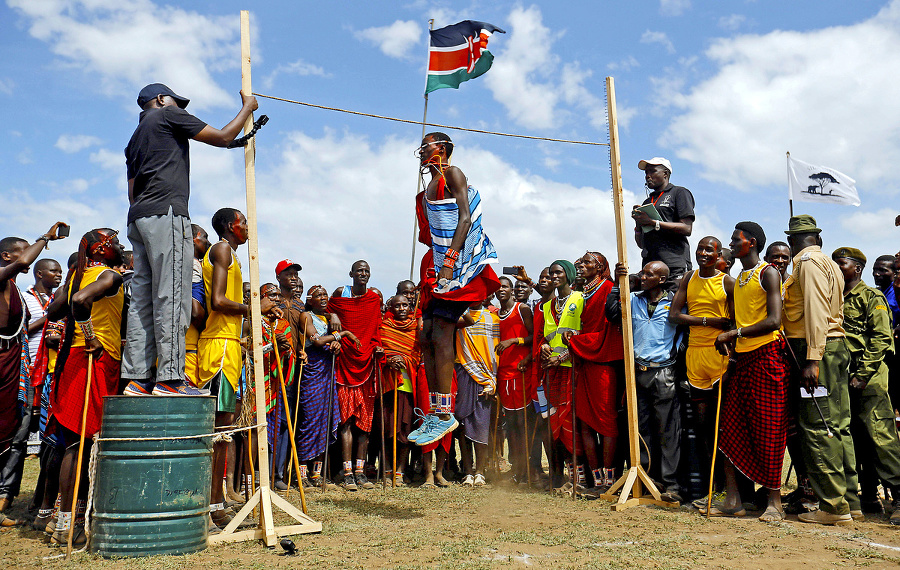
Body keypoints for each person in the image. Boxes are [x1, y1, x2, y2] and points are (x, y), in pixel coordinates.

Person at [121, 83, 258, 394]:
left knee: (142, 300)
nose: (181, 108)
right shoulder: (168, 115)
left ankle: (138, 380)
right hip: (166, 213)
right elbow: (222, 137)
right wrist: (247, 107)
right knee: (171, 295)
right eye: (176, 102)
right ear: (160, 100)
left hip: (139, 218)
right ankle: (170, 379)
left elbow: (132, 193)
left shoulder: (133, 140)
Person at [411, 132, 500, 447]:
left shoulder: (453, 174)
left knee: (442, 332)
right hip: (439, 265)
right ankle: (437, 413)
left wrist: (449, 259)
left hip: (461, 265)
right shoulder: (426, 190)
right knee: (429, 334)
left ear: (444, 149)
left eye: (429, 144)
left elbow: (465, 218)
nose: (423, 149)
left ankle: (445, 411)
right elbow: (429, 234)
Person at [705, 222, 788, 522]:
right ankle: (733, 500)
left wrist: (734, 333)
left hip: (767, 359)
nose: (731, 243)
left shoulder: (769, 272)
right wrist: (731, 342)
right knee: (729, 429)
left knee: (769, 430)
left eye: (734, 239)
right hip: (742, 361)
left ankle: (774, 502)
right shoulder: (738, 277)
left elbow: (774, 320)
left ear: (751, 243)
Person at [46, 228, 124, 544]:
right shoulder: (109, 276)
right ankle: (69, 524)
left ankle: (59, 520)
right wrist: (91, 335)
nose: (121, 246)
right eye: (116, 242)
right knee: (80, 444)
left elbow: (55, 309)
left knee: (72, 442)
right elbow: (78, 301)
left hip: (74, 360)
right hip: (94, 359)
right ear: (102, 249)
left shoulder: (78, 274)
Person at [782, 214, 855, 526]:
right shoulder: (829, 262)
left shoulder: (807, 263)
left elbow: (815, 310)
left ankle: (834, 507)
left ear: (792, 241)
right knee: (838, 426)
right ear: (817, 237)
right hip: (834, 346)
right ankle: (850, 500)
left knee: (817, 426)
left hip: (816, 350)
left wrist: (812, 359)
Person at [0, 224, 67, 523]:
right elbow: (26, 261)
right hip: (4, 360)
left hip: (18, 363)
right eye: (20, 250)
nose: (26, 255)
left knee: (17, 429)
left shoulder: (12, 286)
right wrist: (45, 238)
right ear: (6, 256)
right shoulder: (5, 278)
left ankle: (4, 497)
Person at [832, 247, 900, 524]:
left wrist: (862, 375)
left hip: (869, 379)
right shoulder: (834, 296)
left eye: (842, 263)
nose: (837, 268)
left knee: (881, 438)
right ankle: (868, 496)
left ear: (857, 268)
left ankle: (898, 497)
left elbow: (881, 339)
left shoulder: (872, 297)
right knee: (857, 439)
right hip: (843, 377)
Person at [199, 208, 257, 529]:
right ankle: (210, 508)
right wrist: (252, 308)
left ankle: (217, 504)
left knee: (225, 430)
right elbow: (219, 301)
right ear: (230, 226)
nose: (248, 227)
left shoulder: (230, 254)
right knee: (218, 430)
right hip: (219, 346)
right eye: (244, 221)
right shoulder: (221, 249)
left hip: (231, 345)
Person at [608, 260, 684, 503]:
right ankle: (648, 479)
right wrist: (618, 285)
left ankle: (671, 484)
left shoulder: (674, 302)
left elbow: (686, 332)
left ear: (661, 279)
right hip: (637, 371)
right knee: (641, 429)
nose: (642, 277)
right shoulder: (634, 300)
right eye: (642, 273)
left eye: (649, 274)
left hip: (663, 373)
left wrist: (676, 354)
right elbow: (611, 313)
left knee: (668, 430)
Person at [668, 237, 734, 503]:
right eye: (700, 249)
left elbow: (734, 321)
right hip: (695, 356)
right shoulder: (688, 278)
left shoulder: (727, 282)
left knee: (724, 428)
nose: (703, 253)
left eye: (710, 250)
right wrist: (708, 321)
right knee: (704, 428)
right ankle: (712, 489)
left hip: (720, 356)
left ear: (719, 255)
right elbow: (674, 315)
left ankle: (734, 491)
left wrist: (725, 335)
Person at [564, 252, 625, 495]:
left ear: (600, 268)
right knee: (585, 423)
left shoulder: (608, 288)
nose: (580, 265)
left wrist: (577, 341)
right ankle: (596, 481)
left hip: (603, 362)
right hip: (584, 363)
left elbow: (609, 332)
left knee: (606, 422)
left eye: (586, 262)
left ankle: (609, 482)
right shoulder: (580, 294)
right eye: (579, 262)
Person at [328, 260, 382, 491]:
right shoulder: (341, 293)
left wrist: (378, 346)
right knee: (346, 422)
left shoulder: (374, 297)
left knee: (365, 424)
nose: (362, 273)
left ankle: (361, 472)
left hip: (367, 363)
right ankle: (347, 472)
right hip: (344, 364)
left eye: (366, 270)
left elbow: (377, 327)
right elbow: (326, 311)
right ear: (351, 273)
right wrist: (333, 317)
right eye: (359, 270)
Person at [539, 261, 587, 493]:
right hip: (553, 371)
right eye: (551, 273)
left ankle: (579, 479)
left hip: (574, 367)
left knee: (571, 422)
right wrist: (544, 348)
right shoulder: (548, 305)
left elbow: (586, 331)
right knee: (555, 421)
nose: (554, 276)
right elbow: (546, 336)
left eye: (558, 272)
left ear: (568, 274)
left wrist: (565, 355)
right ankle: (564, 477)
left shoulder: (581, 298)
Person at [296, 286, 344, 487]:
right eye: (318, 295)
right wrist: (343, 335)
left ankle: (317, 474)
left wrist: (336, 344)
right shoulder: (306, 316)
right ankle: (301, 472)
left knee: (326, 421)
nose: (323, 298)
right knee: (310, 421)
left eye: (325, 294)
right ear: (310, 299)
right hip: (312, 372)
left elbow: (330, 343)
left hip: (327, 372)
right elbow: (316, 341)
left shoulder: (329, 319)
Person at [453, 299, 498, 487]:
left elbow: (497, 351)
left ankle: (480, 471)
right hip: (463, 370)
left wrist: (493, 381)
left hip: (486, 376)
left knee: (481, 423)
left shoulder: (494, 320)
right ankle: (468, 471)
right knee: (463, 422)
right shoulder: (458, 318)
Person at [631, 157, 695, 287]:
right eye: (646, 173)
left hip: (674, 265)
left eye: (652, 171)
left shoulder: (679, 193)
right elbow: (641, 244)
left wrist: (653, 222)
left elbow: (687, 228)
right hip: (650, 268)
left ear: (665, 173)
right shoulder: (647, 202)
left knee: (672, 303)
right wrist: (638, 223)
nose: (648, 176)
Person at [494, 276, 533, 484]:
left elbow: (535, 337)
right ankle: (516, 469)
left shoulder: (522, 309)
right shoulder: (494, 314)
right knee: (511, 426)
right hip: (503, 374)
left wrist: (513, 341)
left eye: (505, 286)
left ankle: (527, 469)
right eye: (498, 287)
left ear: (511, 290)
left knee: (522, 424)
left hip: (521, 372)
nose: (501, 290)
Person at [379, 295, 421, 486]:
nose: (402, 308)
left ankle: (400, 471)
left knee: (405, 430)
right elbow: (378, 350)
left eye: (405, 305)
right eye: (398, 305)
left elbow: (417, 354)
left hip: (409, 386)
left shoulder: (416, 327)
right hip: (388, 386)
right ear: (391, 307)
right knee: (388, 430)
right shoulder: (384, 326)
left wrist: (405, 359)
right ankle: (387, 471)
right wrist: (388, 359)